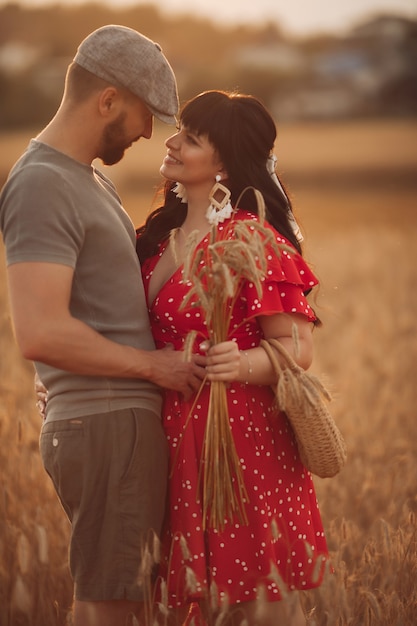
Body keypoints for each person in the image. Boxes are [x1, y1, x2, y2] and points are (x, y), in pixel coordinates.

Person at [0, 26, 206, 626]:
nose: (150, 134)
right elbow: (38, 332)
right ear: (108, 100)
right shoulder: (42, 183)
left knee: (116, 601)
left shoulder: (87, 179)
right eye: (146, 115)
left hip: (114, 421)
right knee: (110, 608)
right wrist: (154, 365)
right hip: (108, 422)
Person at [136, 90, 330, 626]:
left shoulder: (251, 237)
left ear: (220, 162)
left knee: (253, 604)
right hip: (169, 439)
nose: (171, 142)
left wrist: (238, 364)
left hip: (239, 445)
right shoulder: (155, 237)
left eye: (190, 138)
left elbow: (298, 348)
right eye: (178, 131)